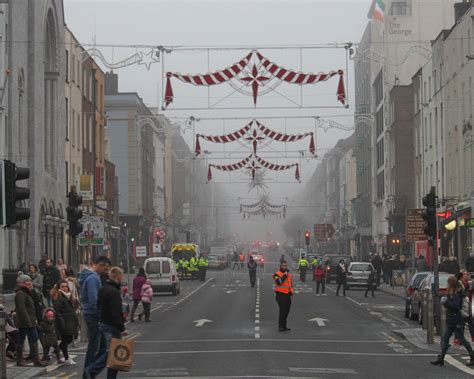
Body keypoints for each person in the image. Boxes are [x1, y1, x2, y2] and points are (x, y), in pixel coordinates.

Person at [85, 267, 127, 379]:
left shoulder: (103, 289)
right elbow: (116, 313)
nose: (122, 278)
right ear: (118, 277)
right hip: (112, 327)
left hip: (104, 324)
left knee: (113, 354)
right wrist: (122, 328)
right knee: (111, 353)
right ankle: (92, 370)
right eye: (121, 276)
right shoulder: (114, 292)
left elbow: (98, 305)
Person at [79, 255, 111, 378]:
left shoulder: (89, 276)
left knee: (101, 346)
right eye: (106, 269)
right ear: (100, 265)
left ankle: (90, 372)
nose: (106, 272)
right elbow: (94, 300)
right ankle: (88, 373)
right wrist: (101, 315)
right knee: (94, 346)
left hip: (90, 313)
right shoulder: (92, 278)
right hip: (94, 315)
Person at [431, 276, 474, 366]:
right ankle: (441, 359)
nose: (447, 284)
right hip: (452, 320)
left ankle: (472, 356)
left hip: (456, 320)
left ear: (451, 284)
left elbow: (456, 306)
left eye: (448, 283)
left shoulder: (457, 293)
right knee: (446, 339)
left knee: (462, 339)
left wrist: (445, 302)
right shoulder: (452, 292)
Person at [14, 274, 46, 367]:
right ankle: (20, 359)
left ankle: (36, 359)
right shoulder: (20, 294)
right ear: (22, 283)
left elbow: (34, 305)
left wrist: (34, 319)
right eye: (28, 281)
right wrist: (28, 322)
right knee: (22, 339)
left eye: (30, 281)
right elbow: (22, 309)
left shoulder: (28, 292)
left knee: (34, 338)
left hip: (31, 321)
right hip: (25, 322)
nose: (30, 283)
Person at [52, 279, 78, 365]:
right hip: (63, 320)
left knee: (69, 338)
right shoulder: (58, 296)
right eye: (62, 286)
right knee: (65, 339)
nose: (65, 288)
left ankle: (57, 350)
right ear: (59, 287)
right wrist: (61, 321)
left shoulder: (68, 296)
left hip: (69, 320)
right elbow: (57, 310)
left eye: (66, 286)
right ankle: (66, 358)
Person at [273, 260, 294, 332]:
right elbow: (278, 282)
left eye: (286, 266)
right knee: (282, 310)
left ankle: (284, 325)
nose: (285, 267)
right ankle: (280, 326)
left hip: (287, 294)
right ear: (280, 266)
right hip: (280, 295)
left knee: (287, 311)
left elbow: (290, 284)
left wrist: (291, 291)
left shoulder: (289, 275)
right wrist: (284, 275)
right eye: (283, 266)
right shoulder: (277, 274)